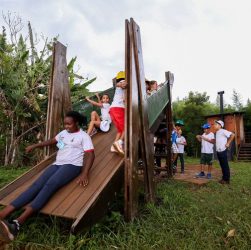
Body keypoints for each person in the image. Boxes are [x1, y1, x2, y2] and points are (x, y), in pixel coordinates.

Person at [0, 111, 95, 242]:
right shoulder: (63, 134)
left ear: (76, 123)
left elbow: (90, 155)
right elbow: (52, 141)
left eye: (69, 124)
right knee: (36, 185)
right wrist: (35, 145)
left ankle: (17, 223)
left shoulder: (84, 136)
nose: (66, 126)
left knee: (50, 184)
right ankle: (3, 214)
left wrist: (85, 173)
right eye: (65, 124)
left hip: (72, 166)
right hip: (58, 164)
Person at [109, 71, 127, 155]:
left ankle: (113, 146)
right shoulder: (122, 82)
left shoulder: (118, 86)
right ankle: (119, 143)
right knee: (126, 128)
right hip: (118, 108)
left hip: (112, 109)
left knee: (120, 130)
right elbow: (120, 84)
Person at [214, 120, 235, 184]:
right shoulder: (217, 132)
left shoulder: (223, 131)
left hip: (223, 151)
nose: (214, 125)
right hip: (218, 151)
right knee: (222, 165)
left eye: (216, 124)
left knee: (225, 165)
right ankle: (224, 178)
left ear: (220, 125)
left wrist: (228, 143)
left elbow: (233, 135)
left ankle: (226, 180)